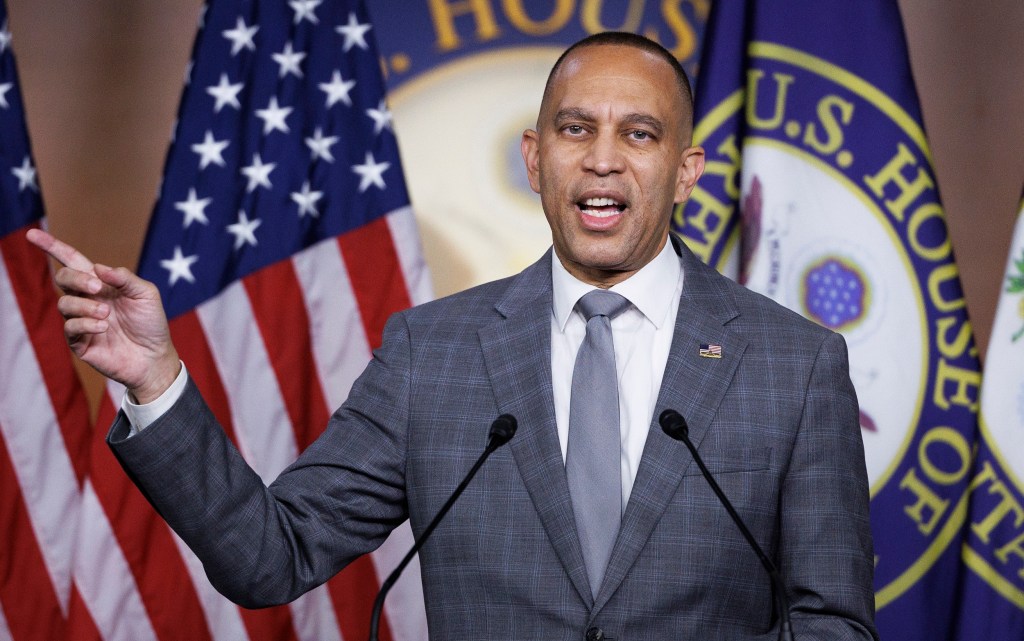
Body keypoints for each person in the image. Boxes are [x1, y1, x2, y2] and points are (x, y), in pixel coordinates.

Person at [30, 32, 877, 640]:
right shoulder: (432, 355)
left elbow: (835, 623)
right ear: (536, 157)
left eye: (640, 134)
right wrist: (155, 378)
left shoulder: (793, 365)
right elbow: (269, 557)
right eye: (576, 129)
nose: (603, 160)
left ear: (685, 170)